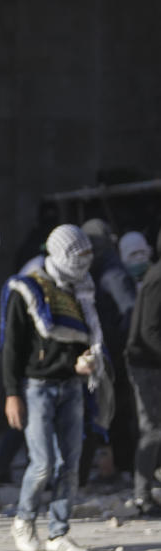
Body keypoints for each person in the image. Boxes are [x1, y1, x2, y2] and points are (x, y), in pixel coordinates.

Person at [2, 224, 105, 551]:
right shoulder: (27, 289)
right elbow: (12, 349)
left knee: (70, 465)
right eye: (76, 255)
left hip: (72, 388)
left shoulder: (81, 292)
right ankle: (24, 519)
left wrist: (88, 362)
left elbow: (84, 339)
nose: (82, 262)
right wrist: (11, 393)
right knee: (44, 463)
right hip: (37, 389)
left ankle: (58, 532)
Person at [81, 219, 138, 486]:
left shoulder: (112, 274)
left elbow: (129, 313)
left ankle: (120, 467)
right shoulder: (98, 272)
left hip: (113, 357)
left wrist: (115, 347)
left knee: (114, 412)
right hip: (103, 354)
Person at [125, 228, 161, 517]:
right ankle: (142, 496)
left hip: (151, 362)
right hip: (146, 365)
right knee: (153, 430)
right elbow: (149, 330)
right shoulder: (158, 278)